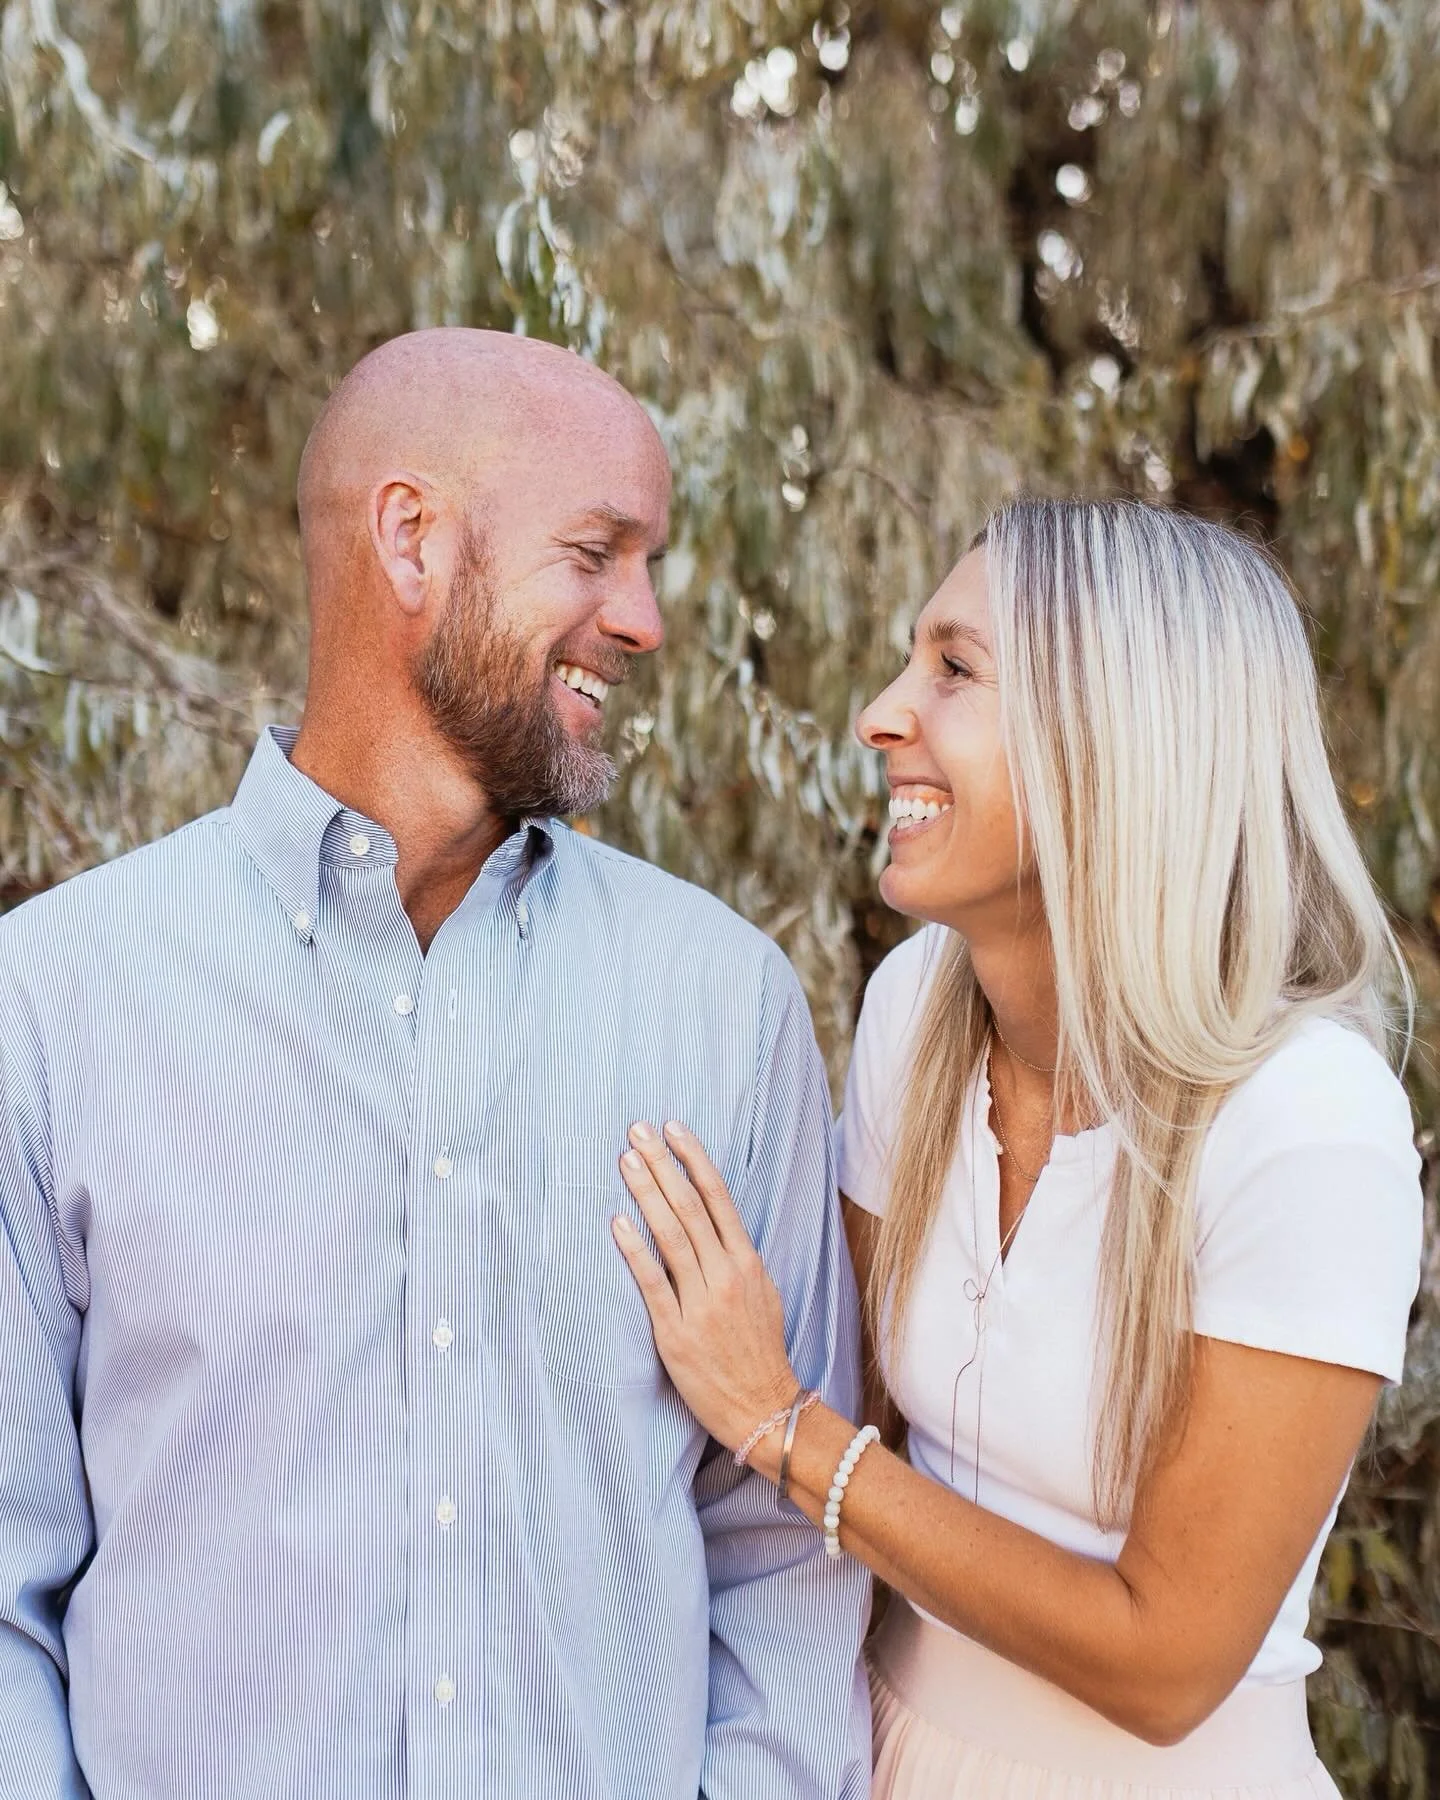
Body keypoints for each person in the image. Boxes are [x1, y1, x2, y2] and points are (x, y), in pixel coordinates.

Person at [0, 328, 871, 1799]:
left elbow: (780, 1550)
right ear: (411, 539)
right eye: (596, 552)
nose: (645, 620)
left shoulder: (724, 1003)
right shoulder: (57, 997)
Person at [611, 496, 1424, 1800]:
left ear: (1117, 737)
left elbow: (1167, 1660)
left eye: (954, 670)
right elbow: (862, 1414)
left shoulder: (1308, 1126)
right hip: (871, 1753)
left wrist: (781, 1427)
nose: (882, 714)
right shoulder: (916, 1011)